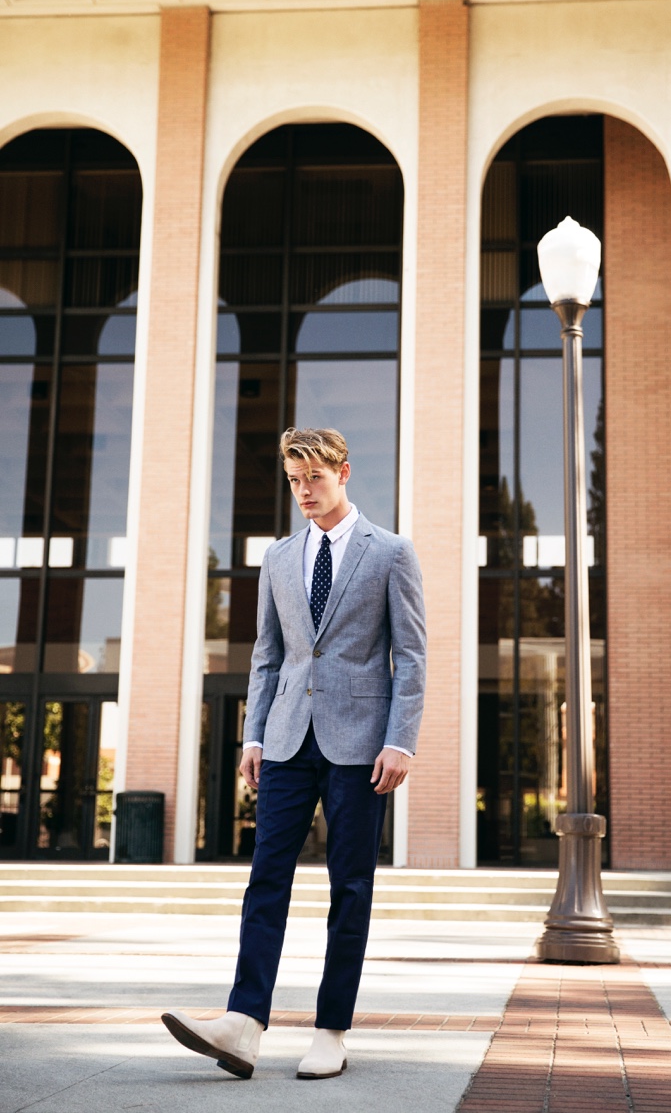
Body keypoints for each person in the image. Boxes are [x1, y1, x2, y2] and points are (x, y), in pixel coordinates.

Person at [162, 426, 426, 1081]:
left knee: (350, 887)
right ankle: (244, 1022)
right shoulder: (279, 557)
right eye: (293, 480)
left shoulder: (390, 551)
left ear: (343, 471)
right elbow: (267, 654)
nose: (303, 491)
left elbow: (412, 654)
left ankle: (332, 1029)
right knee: (266, 879)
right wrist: (253, 733)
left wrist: (401, 738)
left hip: (360, 745)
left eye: (314, 477)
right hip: (285, 739)